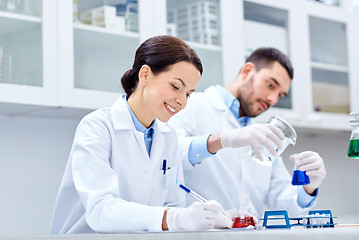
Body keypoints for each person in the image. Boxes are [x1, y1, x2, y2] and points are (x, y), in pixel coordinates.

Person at [50, 35, 230, 234]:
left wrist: (214, 219)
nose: (182, 102)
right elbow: (101, 210)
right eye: (175, 87)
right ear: (145, 75)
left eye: (188, 94)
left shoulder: (168, 136)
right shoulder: (97, 127)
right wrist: (175, 218)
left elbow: (173, 206)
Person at [169, 47, 326, 219]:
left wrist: (307, 187)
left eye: (280, 95)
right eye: (270, 85)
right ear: (247, 71)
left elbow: (284, 203)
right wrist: (223, 139)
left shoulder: (263, 136)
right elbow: (169, 155)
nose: (272, 99)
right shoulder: (191, 106)